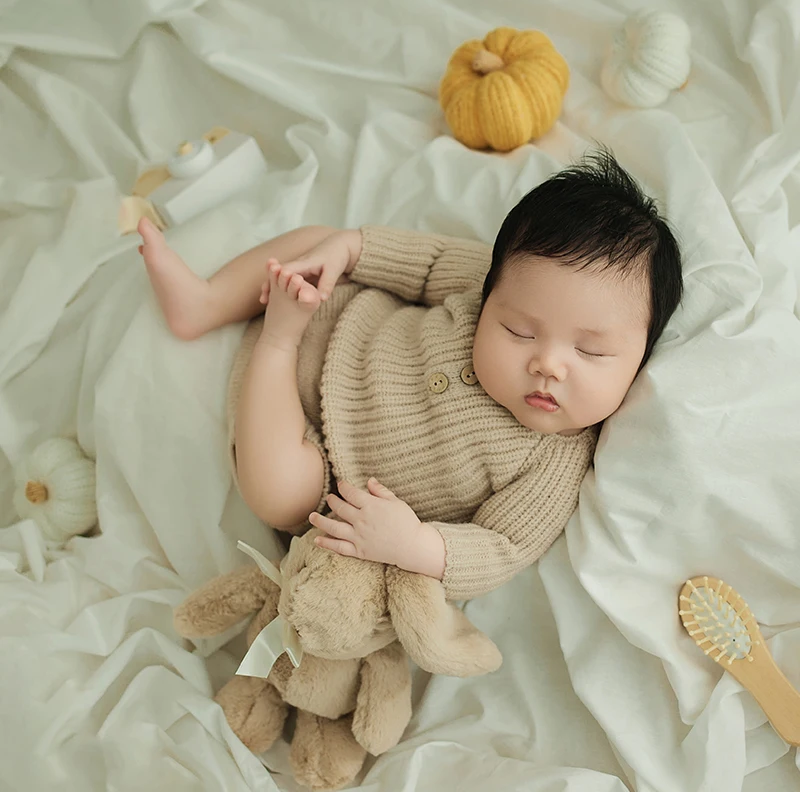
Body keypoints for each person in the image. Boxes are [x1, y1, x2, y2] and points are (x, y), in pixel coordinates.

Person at [137, 149, 683, 600]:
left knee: (278, 497)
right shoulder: (484, 280)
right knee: (320, 237)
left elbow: (500, 547)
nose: (548, 363)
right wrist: (347, 249)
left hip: (316, 460)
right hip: (333, 309)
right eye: (518, 330)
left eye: (590, 352)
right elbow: (419, 260)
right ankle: (205, 303)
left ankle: (276, 344)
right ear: (495, 292)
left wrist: (415, 544)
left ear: (640, 361)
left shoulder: (554, 461)